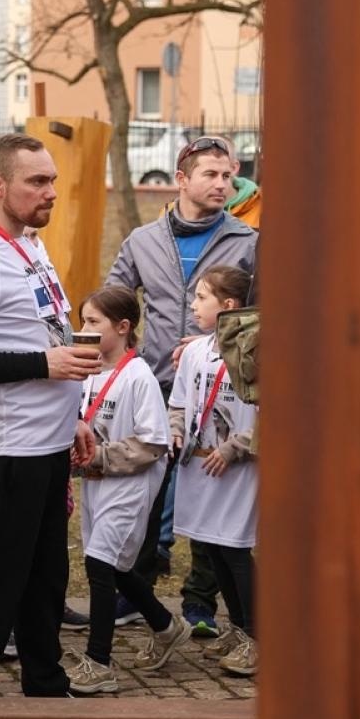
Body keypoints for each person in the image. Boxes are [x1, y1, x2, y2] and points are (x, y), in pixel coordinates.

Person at [0, 132, 100, 698]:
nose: (51, 191)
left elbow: (42, 330)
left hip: (48, 442)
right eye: (38, 182)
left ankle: (46, 686)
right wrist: (45, 365)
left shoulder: (28, 241)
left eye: (52, 179)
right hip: (7, 450)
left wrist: (72, 412)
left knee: (46, 579)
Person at [105, 134, 257, 635]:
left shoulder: (249, 241)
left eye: (227, 174)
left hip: (221, 391)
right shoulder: (143, 241)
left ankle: (201, 608)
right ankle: (138, 595)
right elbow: (114, 304)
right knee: (144, 496)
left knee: (214, 500)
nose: (223, 183)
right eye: (211, 174)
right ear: (181, 179)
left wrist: (215, 339)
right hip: (154, 387)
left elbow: (269, 313)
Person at [66, 287, 189, 696]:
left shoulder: (139, 377)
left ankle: (99, 662)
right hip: (97, 486)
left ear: (122, 327)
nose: (84, 330)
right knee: (114, 565)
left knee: (100, 565)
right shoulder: (88, 371)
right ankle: (165, 625)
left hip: (129, 486)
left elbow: (152, 444)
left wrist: (98, 455)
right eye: (83, 321)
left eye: (93, 322)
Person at [170, 265, 259, 679]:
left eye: (201, 296)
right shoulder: (194, 351)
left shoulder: (255, 350)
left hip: (235, 468)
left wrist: (234, 448)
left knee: (235, 548)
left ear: (228, 305)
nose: (193, 304)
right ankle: (239, 630)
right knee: (213, 548)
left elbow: (266, 413)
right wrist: (174, 434)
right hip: (199, 466)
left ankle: (259, 638)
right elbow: (180, 403)